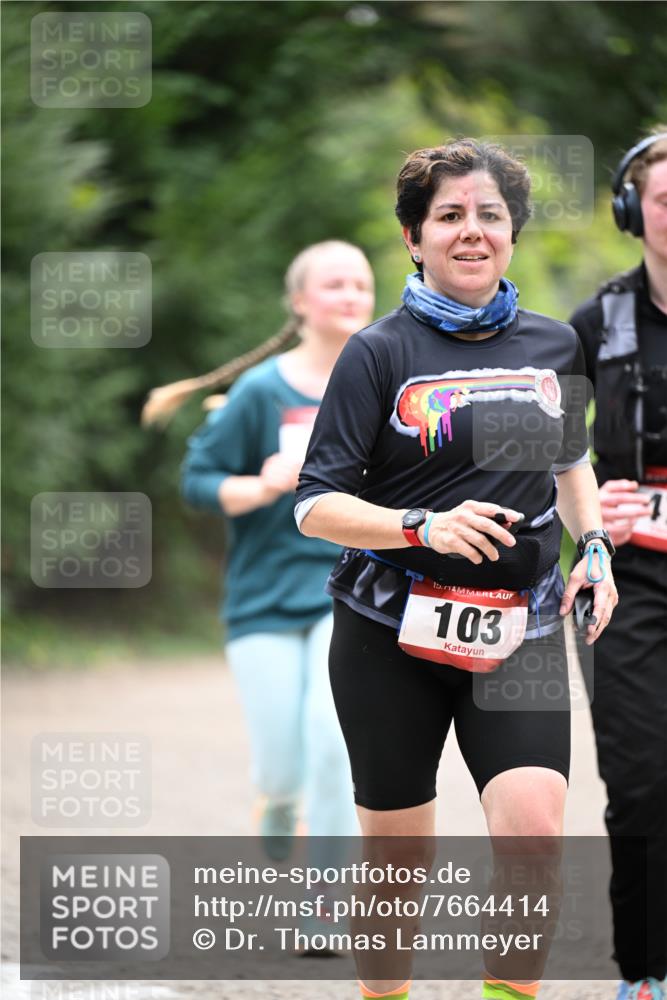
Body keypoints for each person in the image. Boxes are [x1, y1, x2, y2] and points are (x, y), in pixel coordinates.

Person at [294, 140, 618, 1000]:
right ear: (413, 237)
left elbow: (570, 461)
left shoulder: (553, 344)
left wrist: (592, 549)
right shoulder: (377, 353)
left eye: (488, 216)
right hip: (386, 633)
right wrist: (421, 524)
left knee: (535, 835)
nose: (469, 232)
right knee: (398, 860)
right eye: (448, 217)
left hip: (520, 629)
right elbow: (314, 504)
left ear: (510, 235)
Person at [146, 241, 374, 859]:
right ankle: (275, 802)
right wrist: (264, 484)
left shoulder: (383, 384)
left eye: (360, 283)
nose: (351, 294)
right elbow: (197, 482)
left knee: (333, 742)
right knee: (282, 766)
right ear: (300, 302)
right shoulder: (258, 391)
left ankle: (323, 899)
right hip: (264, 596)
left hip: (351, 592)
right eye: (335, 284)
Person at [569, 129, 667, 1000]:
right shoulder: (596, 324)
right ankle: (646, 973)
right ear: (633, 213)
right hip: (624, 584)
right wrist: (595, 498)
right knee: (640, 781)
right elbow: (538, 451)